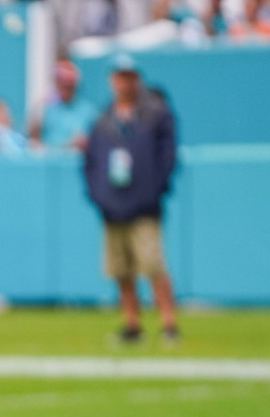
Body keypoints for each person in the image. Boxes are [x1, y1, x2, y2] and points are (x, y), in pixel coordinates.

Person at [83, 53, 180, 344]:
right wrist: (99, 196)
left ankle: (169, 324)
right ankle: (132, 324)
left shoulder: (154, 113)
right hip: (113, 205)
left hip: (144, 204)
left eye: (129, 76)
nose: (124, 83)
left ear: (137, 79)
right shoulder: (104, 119)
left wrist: (155, 189)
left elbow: (167, 156)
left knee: (153, 265)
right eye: (119, 76)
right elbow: (91, 162)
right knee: (121, 269)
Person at [29, 59, 98, 153]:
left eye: (68, 85)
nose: (63, 88)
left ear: (75, 85)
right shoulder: (47, 108)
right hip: (50, 159)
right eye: (60, 83)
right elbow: (34, 138)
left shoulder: (89, 112)